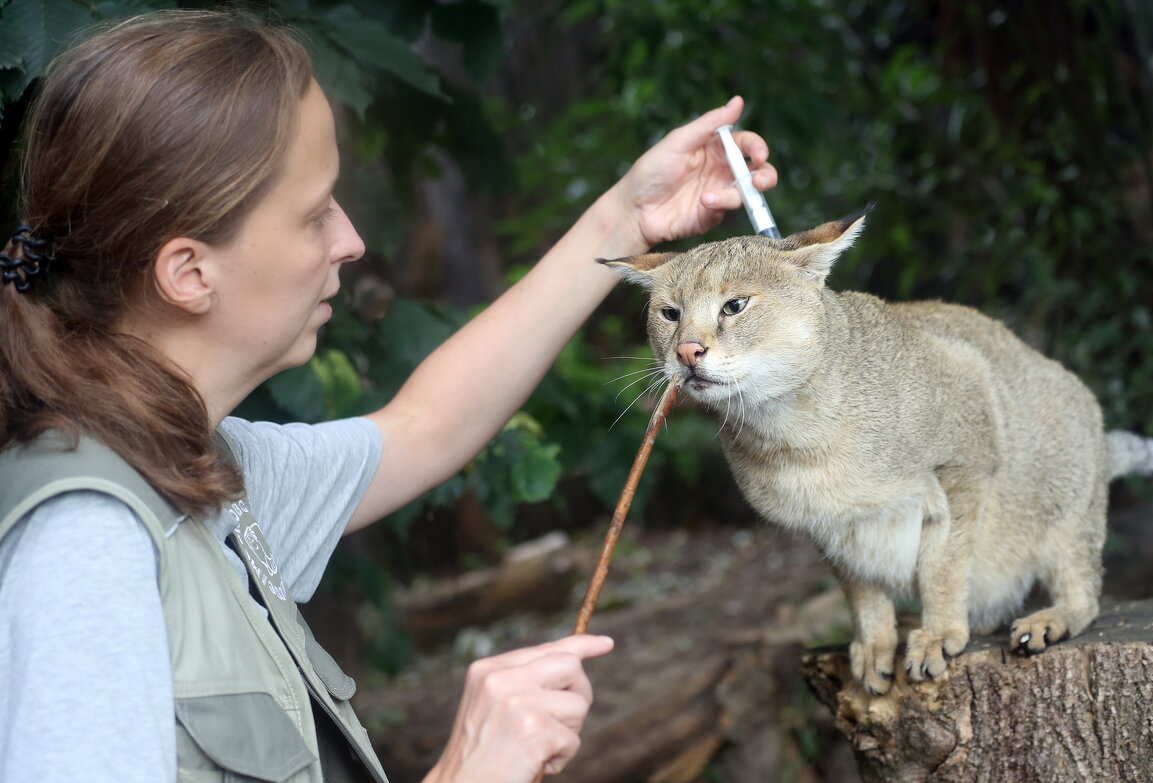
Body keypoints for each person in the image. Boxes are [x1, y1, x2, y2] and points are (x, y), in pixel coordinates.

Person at [0, 9, 776, 783]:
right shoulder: (86, 543)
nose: (350, 241)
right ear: (189, 272)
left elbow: (424, 427)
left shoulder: (192, 463)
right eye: (314, 215)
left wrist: (624, 217)